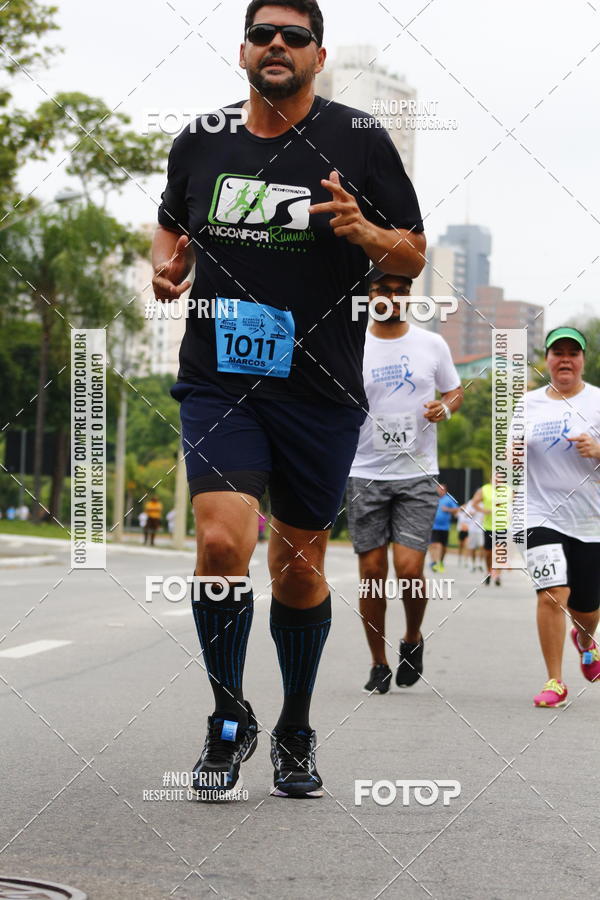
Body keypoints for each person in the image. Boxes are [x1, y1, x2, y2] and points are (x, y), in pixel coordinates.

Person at [152, 0, 425, 799]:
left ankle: (297, 728)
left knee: (300, 571)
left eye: (294, 37)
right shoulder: (200, 139)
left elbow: (410, 246)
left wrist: (369, 235)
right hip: (220, 377)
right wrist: (170, 267)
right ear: (243, 50)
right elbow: (171, 225)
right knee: (218, 544)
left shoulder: (358, 139)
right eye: (263, 34)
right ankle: (228, 717)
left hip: (321, 387)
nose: (277, 46)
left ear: (317, 53)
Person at [346, 270, 462, 693]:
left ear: (409, 297)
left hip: (417, 471)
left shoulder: (431, 344)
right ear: (369, 295)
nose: (392, 298)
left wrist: (444, 409)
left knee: (410, 569)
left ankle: (412, 638)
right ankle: (378, 663)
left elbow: (454, 391)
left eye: (400, 291)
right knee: (372, 571)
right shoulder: (352, 341)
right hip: (363, 470)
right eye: (383, 290)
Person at [519, 327, 600, 707]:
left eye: (573, 353)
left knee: (586, 609)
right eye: (558, 352)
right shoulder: (526, 405)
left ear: (583, 360)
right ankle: (555, 681)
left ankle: (585, 640)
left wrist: (598, 450)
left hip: (589, 518)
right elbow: (507, 461)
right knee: (553, 595)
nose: (565, 359)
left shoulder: (598, 402)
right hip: (538, 514)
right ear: (547, 360)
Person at [428, 484, 459, 573]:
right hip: (433, 526)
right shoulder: (433, 498)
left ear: (445, 491)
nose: (440, 491)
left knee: (443, 547)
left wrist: (448, 509)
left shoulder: (449, 499)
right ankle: (434, 562)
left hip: (444, 527)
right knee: (435, 545)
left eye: (442, 489)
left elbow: (457, 509)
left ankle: (440, 561)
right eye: (438, 489)